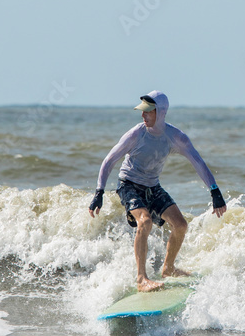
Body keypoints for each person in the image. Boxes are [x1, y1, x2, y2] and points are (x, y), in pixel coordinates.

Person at [88, 90, 227, 292]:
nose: (143, 116)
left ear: (160, 112)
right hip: (129, 184)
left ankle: (168, 269)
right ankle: (141, 279)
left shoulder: (175, 137)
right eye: (142, 112)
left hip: (153, 186)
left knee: (180, 225)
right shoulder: (136, 134)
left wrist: (215, 191)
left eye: (148, 112)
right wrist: (99, 192)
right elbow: (109, 160)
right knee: (144, 221)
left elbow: (198, 162)